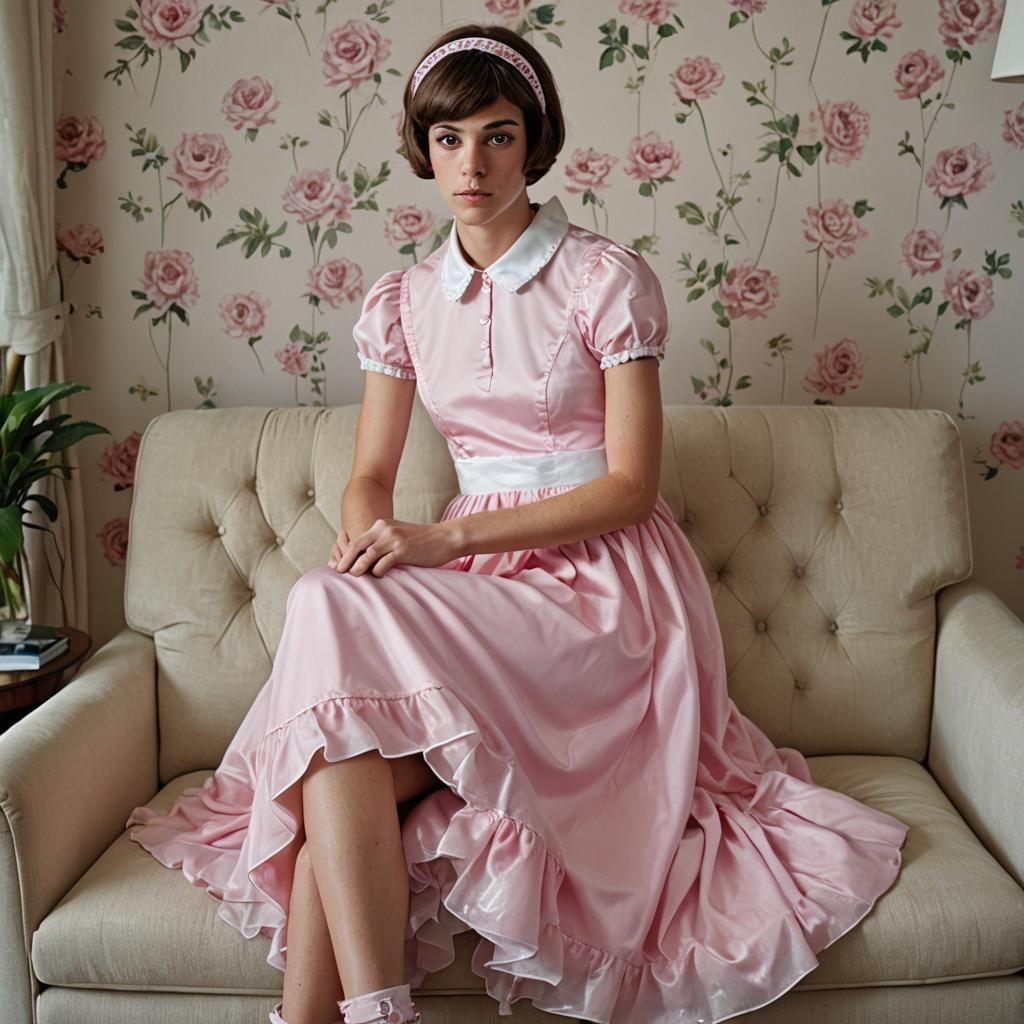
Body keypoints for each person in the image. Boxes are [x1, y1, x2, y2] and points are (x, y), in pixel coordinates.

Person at [125, 22, 912, 1024]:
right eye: (448, 140)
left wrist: (437, 541)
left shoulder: (602, 279)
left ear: (533, 143)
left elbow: (630, 485)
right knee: (341, 721)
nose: (471, 164)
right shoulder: (404, 300)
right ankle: (366, 1013)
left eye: (497, 136)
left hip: (606, 596)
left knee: (327, 648)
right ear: (422, 149)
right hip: (484, 598)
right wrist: (366, 533)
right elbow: (368, 473)